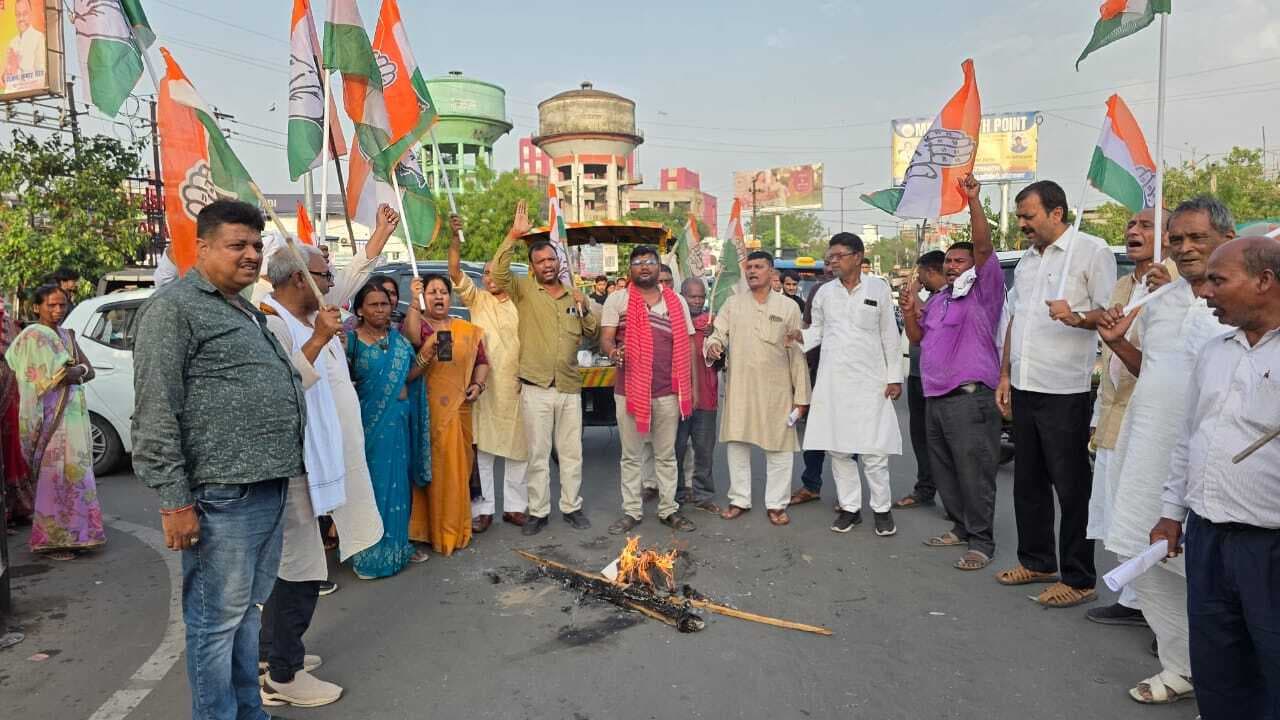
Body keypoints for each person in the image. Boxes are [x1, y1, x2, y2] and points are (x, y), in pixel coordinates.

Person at [132, 200, 307, 720]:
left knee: (244, 615)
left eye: (256, 245)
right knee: (214, 622)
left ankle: (249, 712)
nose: (252, 255)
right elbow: (156, 408)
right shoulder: (175, 309)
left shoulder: (243, 307)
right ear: (202, 248)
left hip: (266, 485)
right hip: (221, 495)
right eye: (239, 245)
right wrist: (174, 501)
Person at [1095, 197, 1238, 704]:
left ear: (1228, 237)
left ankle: (1229, 687)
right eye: (1177, 239)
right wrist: (1116, 341)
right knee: (1142, 555)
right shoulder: (1159, 298)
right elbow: (1152, 372)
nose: (1186, 248)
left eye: (1198, 238)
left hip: (1213, 462)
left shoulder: (1240, 303)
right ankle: (1182, 668)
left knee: (1214, 578)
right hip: (1148, 449)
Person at [1150, 235, 1280, 720]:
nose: (1205, 292)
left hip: (1268, 548)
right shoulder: (1215, 351)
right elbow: (1189, 438)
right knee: (1218, 672)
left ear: (1264, 282)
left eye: (1218, 281)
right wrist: (1170, 513)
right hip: (1206, 540)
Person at [257, 242, 386, 708]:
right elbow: (277, 386)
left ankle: (271, 657)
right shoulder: (270, 322)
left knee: (295, 565)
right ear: (299, 280)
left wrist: (374, 241)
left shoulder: (307, 315)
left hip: (315, 463)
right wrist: (317, 342)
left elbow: (348, 281)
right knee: (301, 569)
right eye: (323, 275)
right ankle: (282, 676)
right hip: (293, 465)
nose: (330, 282)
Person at [994, 179, 1116, 608]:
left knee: (1071, 487)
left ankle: (1079, 577)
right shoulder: (1027, 261)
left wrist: (1078, 316)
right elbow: (1016, 320)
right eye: (1021, 217)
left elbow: (1109, 314)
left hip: (1065, 389)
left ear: (1057, 213)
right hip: (1026, 386)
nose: (1022, 224)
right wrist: (1005, 374)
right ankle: (1037, 560)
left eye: (1029, 216)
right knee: (1027, 482)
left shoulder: (1092, 251)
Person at [901, 174, 1002, 568]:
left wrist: (973, 201)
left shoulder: (983, 292)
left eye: (960, 261)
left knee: (974, 472)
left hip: (969, 398)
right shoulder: (941, 299)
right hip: (935, 397)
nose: (953, 266)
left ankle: (982, 542)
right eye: (948, 262)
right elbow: (917, 339)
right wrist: (910, 310)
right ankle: (960, 527)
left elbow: (983, 245)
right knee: (945, 470)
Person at [1083, 208, 1172, 628]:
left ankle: (1165, 616)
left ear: (1170, 238)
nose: (1133, 231)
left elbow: (1155, 366)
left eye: (1146, 226)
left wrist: (1116, 343)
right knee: (1119, 510)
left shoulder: (1174, 286)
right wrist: (1098, 417)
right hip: (1114, 416)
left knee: (1151, 515)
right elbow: (1109, 355)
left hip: (1150, 422)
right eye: (1131, 225)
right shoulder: (1124, 284)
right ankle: (1135, 600)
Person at [492, 200, 598, 536]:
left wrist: (584, 308)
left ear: (558, 262)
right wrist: (513, 234)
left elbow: (592, 334)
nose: (547, 265)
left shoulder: (573, 295)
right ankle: (538, 512)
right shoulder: (523, 290)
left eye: (552, 259)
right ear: (533, 266)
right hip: (536, 387)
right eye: (541, 261)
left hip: (568, 388)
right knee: (537, 455)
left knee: (571, 454)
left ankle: (572, 507)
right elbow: (497, 273)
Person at [800, 232, 904, 537]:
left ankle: (882, 510)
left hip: (871, 382)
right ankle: (850, 509)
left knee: (874, 451)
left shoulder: (878, 288)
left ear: (857, 257)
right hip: (833, 382)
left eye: (838, 256)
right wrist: (797, 339)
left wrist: (893, 377)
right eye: (829, 256)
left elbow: (890, 335)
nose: (832, 261)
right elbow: (816, 332)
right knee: (840, 450)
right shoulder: (824, 293)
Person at [706, 251, 810, 527]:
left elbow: (797, 354)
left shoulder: (788, 307)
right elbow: (717, 334)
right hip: (740, 386)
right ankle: (739, 498)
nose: (752, 271)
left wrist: (801, 398)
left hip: (777, 391)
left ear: (771, 272)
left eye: (759, 267)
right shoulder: (733, 304)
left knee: (779, 449)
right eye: (749, 267)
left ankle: (776, 504)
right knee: (737, 444)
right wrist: (714, 345)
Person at [601, 245, 697, 535]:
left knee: (666, 455)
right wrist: (614, 351)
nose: (644, 267)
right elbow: (605, 339)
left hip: (668, 391)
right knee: (630, 455)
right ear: (629, 269)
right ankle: (632, 510)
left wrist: (691, 387)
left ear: (659, 268)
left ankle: (668, 509)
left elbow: (689, 344)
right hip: (629, 390)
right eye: (638, 262)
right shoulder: (617, 300)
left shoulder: (676, 302)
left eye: (650, 262)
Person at [4, 284, 104, 559]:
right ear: (37, 307)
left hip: (72, 417)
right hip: (48, 420)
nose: (58, 310)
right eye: (51, 305)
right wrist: (73, 371)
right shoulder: (33, 336)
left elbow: (86, 371)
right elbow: (57, 375)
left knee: (78, 476)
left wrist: (76, 370)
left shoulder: (67, 335)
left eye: (62, 305)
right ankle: (53, 541)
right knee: (54, 479)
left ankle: (81, 535)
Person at [447, 215, 529, 531]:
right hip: (484, 383)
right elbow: (454, 270)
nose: (490, 276)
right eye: (485, 272)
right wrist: (455, 237)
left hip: (516, 383)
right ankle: (483, 509)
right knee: (483, 449)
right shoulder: (477, 299)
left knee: (518, 448)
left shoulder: (520, 302)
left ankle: (515, 507)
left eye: (496, 272)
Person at [346, 282, 432, 576]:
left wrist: (426, 355)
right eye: (373, 304)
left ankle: (397, 549)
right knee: (374, 487)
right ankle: (370, 555)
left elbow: (408, 377)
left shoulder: (398, 341)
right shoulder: (351, 342)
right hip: (370, 425)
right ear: (360, 309)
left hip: (399, 422)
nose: (381, 309)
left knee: (398, 487)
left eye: (384, 304)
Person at [406, 274, 489, 556]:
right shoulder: (422, 328)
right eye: (432, 292)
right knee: (434, 472)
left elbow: (482, 362)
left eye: (443, 291)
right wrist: (414, 304)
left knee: (457, 472)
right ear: (424, 297)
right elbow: (411, 337)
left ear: (451, 297)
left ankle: (455, 528)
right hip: (429, 411)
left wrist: (478, 385)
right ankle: (431, 531)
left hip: (460, 409)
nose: (438, 296)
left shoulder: (467, 329)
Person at [894, 250, 947, 510]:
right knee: (920, 437)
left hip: (940, 380)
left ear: (930, 271)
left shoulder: (950, 297)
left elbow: (929, 321)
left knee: (944, 442)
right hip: (918, 374)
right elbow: (916, 334)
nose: (919, 280)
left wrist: (914, 293)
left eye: (921, 274)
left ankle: (955, 499)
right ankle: (925, 487)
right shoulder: (929, 296)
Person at [674, 277, 720, 515]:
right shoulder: (672, 320)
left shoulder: (712, 322)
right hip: (678, 399)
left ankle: (703, 496)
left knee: (704, 450)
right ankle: (678, 494)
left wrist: (716, 339)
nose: (698, 300)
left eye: (701, 296)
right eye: (692, 296)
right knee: (677, 449)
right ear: (682, 296)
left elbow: (723, 359)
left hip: (707, 398)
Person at [790, 269, 833, 506]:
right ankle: (811, 484)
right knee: (815, 432)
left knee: (847, 436)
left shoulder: (870, 290)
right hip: (817, 371)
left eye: (836, 259)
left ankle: (850, 496)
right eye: (828, 261)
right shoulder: (818, 291)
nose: (830, 266)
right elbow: (807, 327)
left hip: (849, 377)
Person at [0, 295, 31, 528]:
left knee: (10, 448)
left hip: (9, 390)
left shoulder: (5, 314)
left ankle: (12, 507)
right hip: (9, 388)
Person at [5, 0, 45, 80]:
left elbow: (41, 74)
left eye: (25, 14)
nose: (21, 18)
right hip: (13, 90)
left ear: (31, 14)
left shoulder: (38, 38)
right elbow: (7, 75)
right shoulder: (12, 43)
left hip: (34, 90)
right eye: (18, 15)